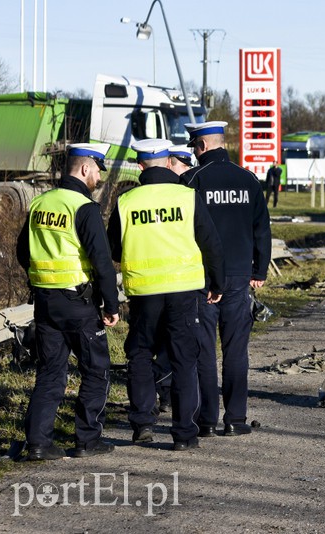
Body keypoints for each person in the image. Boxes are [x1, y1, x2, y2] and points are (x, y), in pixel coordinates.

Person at [107, 138, 225, 451]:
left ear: (140, 165)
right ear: (169, 162)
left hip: (143, 292)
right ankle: (184, 434)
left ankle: (143, 423)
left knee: (141, 353)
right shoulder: (187, 197)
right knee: (184, 358)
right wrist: (217, 283)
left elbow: (114, 249)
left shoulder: (126, 201)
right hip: (184, 290)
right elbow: (210, 242)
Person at [16, 143, 120, 460]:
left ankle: (37, 443)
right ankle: (87, 440)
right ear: (85, 168)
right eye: (98, 169)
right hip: (79, 304)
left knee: (50, 372)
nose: (100, 176)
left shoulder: (40, 203)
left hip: (45, 303)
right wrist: (111, 306)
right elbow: (102, 263)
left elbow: (23, 251)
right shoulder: (83, 207)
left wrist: (43, 279)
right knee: (96, 369)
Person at [181, 121, 272, 437]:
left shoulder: (192, 180)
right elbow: (261, 228)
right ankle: (235, 419)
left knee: (204, 349)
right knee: (235, 349)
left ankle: (205, 420)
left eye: (194, 147)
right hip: (239, 275)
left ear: (202, 146)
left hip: (202, 278)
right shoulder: (248, 180)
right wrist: (259, 270)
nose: (194, 153)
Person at [149, 144, 195, 413]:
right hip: (162, 281)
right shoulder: (165, 195)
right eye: (179, 165)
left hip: (177, 281)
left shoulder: (187, 194)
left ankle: (166, 395)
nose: (182, 171)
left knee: (171, 344)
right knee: (165, 343)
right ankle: (165, 393)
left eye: (185, 166)